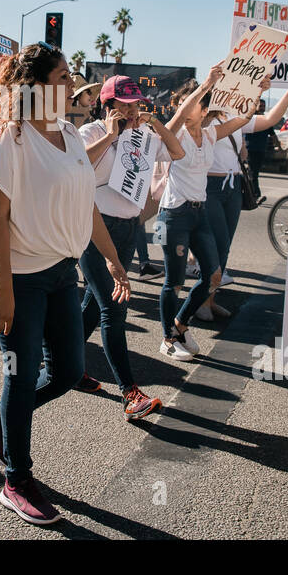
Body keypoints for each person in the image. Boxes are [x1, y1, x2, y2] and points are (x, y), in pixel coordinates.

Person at [0, 44, 132, 525]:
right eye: (62, 75)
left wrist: (112, 259)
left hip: (62, 270)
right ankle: (16, 479)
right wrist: (2, 288)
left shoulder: (67, 133)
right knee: (20, 375)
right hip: (16, 274)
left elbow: (85, 204)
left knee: (66, 371)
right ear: (36, 85)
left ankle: (1, 416)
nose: (71, 82)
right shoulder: (12, 139)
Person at [73, 74, 183, 418]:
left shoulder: (146, 136)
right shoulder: (91, 133)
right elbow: (76, 166)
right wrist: (110, 135)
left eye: (137, 103)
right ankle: (130, 393)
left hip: (127, 229)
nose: (133, 109)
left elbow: (177, 152)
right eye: (125, 103)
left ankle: (62, 362)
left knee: (93, 305)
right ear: (108, 106)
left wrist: (154, 122)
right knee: (113, 308)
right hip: (93, 227)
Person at [155, 67, 252, 361]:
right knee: (173, 281)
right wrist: (205, 84)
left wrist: (255, 89)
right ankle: (168, 338)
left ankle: (179, 325)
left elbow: (244, 119)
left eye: (195, 102)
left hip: (199, 214)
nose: (186, 107)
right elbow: (178, 115)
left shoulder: (211, 134)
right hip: (174, 215)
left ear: (205, 110)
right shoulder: (174, 134)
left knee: (213, 276)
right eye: (185, 102)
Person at [195, 84, 288, 320]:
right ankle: (200, 301)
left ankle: (210, 299)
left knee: (224, 246)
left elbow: (269, 120)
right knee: (216, 244)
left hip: (233, 187)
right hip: (209, 187)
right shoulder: (203, 118)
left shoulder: (236, 116)